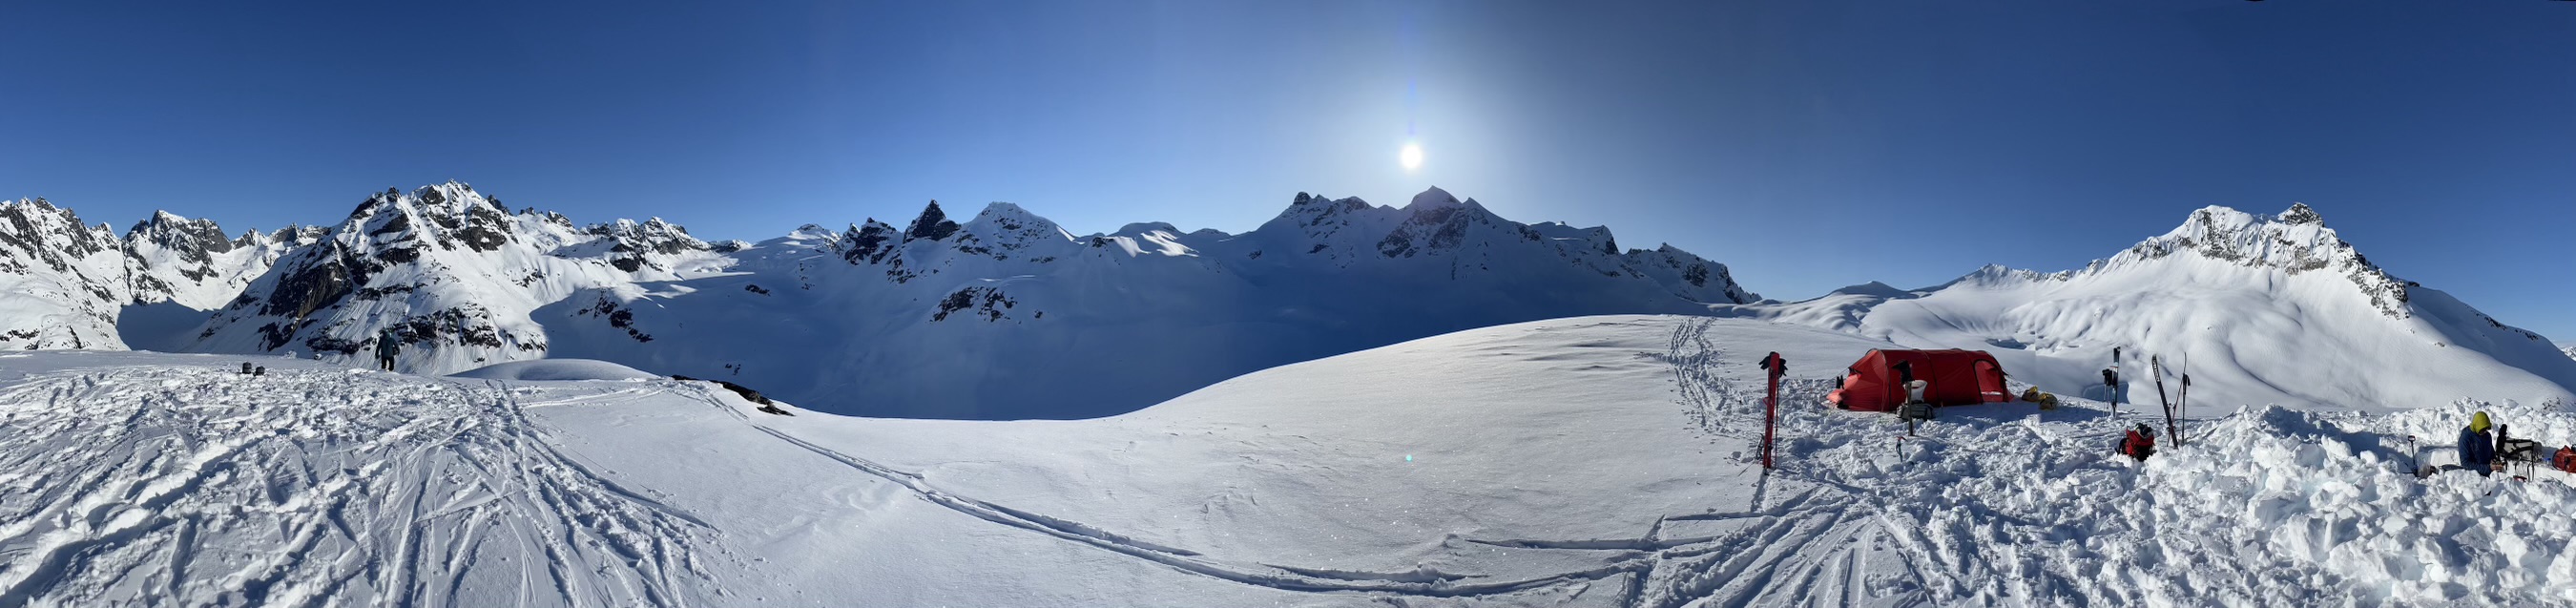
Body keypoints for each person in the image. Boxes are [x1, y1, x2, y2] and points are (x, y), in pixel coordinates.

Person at [2461, 411, 2498, 477]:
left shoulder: (2487, 436)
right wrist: (2488, 468)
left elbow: (2491, 453)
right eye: (2483, 429)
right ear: (2476, 426)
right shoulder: (2465, 439)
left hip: (2490, 476)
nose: (2485, 431)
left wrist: (2493, 460)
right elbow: (2465, 464)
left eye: (2487, 429)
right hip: (2474, 478)